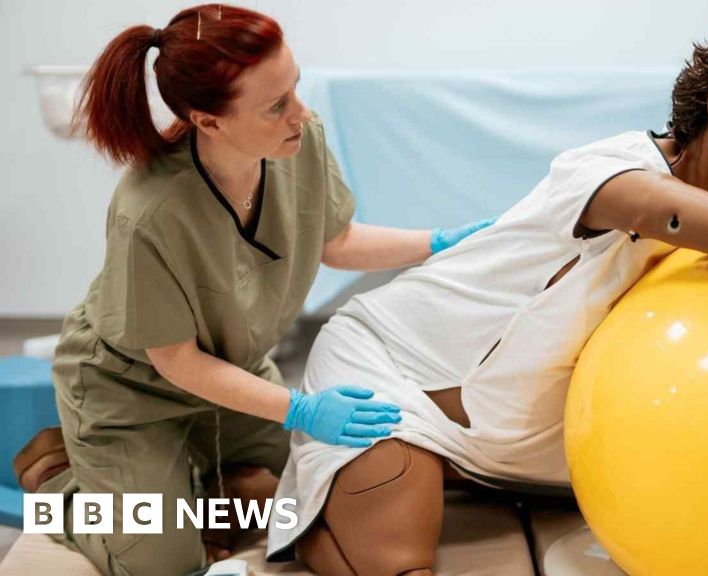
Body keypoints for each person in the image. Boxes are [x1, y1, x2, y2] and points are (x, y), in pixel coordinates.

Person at [266, 23, 708, 576]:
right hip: (394, 370)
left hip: (524, 438)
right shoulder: (614, 177)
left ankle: (379, 485)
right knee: (401, 563)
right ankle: (301, 523)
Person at [11, 5, 491, 576]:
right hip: (130, 390)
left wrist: (439, 242)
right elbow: (175, 361)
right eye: (277, 105)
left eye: (294, 89)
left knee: (323, 478)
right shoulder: (151, 212)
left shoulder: (297, 141)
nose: (302, 114)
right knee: (159, 560)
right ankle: (62, 483)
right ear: (208, 121)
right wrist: (302, 408)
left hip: (229, 369)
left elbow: (334, 240)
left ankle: (201, 478)